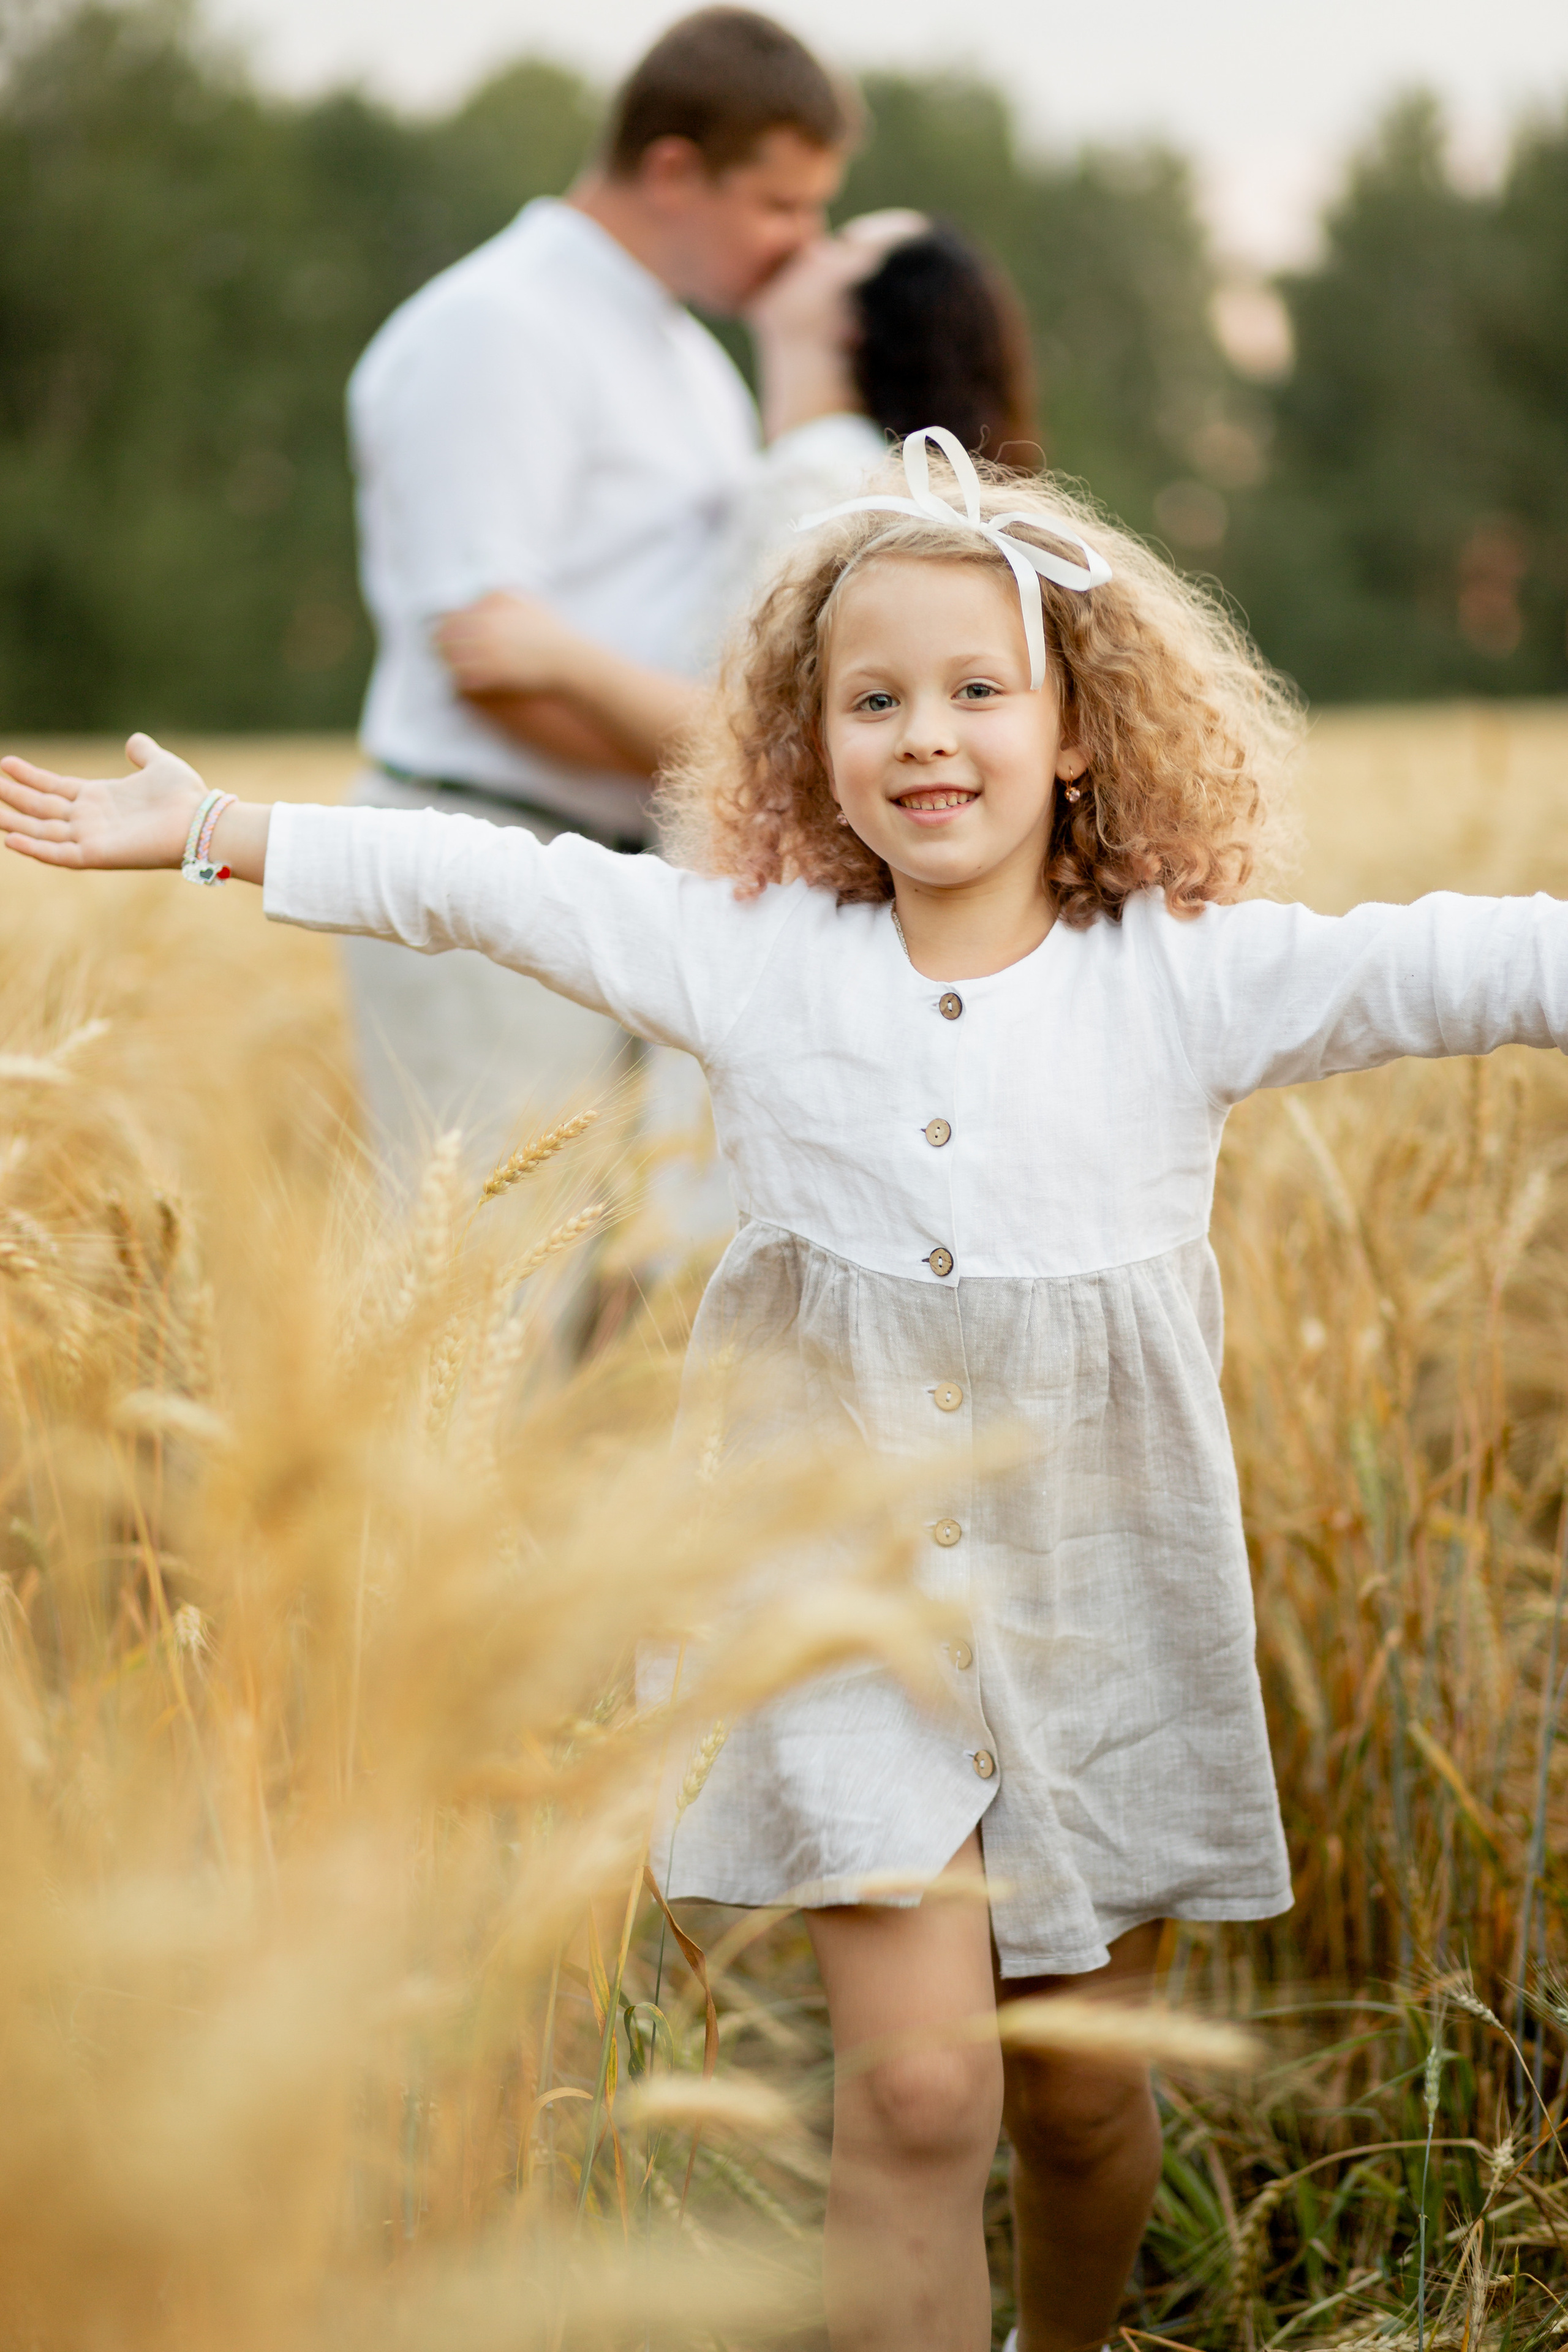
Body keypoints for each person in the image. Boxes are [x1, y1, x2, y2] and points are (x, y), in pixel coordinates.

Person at [12, 428, 1568, 2348]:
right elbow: (490, 881)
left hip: (1100, 1595)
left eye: (979, 690)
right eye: (874, 699)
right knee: (918, 2101)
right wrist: (220, 829)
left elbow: (1456, 964)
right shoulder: (751, 955)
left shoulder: (1186, 978)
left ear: (1077, 732)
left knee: (1080, 2103)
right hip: (832, 1592)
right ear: (808, 744)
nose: (927, 735)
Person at [343, 7, 850, 1181]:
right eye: (779, 205)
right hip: (487, 860)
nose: (803, 244)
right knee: (492, 1267)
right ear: (673, 171)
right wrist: (734, 769)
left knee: (594, 1271)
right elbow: (487, 661)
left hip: (622, 871)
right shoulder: (497, 328)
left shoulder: (688, 357)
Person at [437, 211, 1038, 774]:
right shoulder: (813, 460)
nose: (808, 243)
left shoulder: (819, 478)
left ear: (858, 321)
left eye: (841, 246)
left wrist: (562, 658)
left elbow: (758, 731)